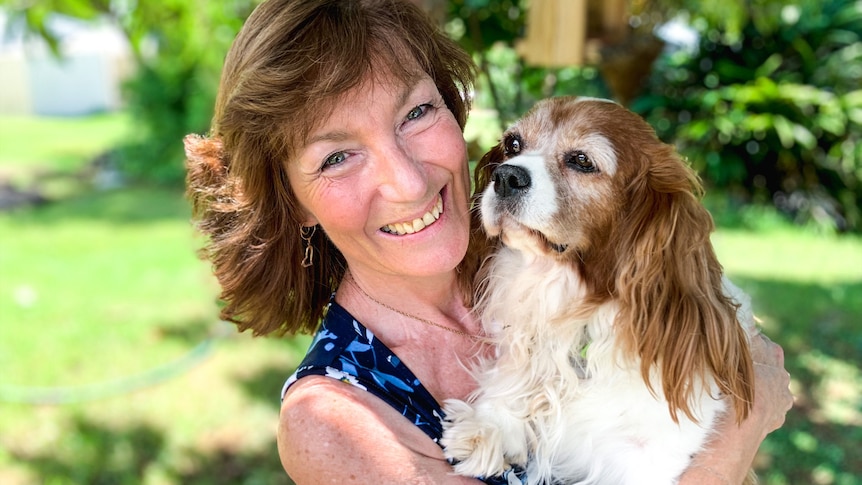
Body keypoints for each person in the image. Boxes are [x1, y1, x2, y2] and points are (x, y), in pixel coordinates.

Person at [183, 0, 794, 483]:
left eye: (416, 113)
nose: (408, 180)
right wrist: (739, 431)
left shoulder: (529, 264)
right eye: (337, 155)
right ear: (292, 202)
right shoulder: (334, 424)